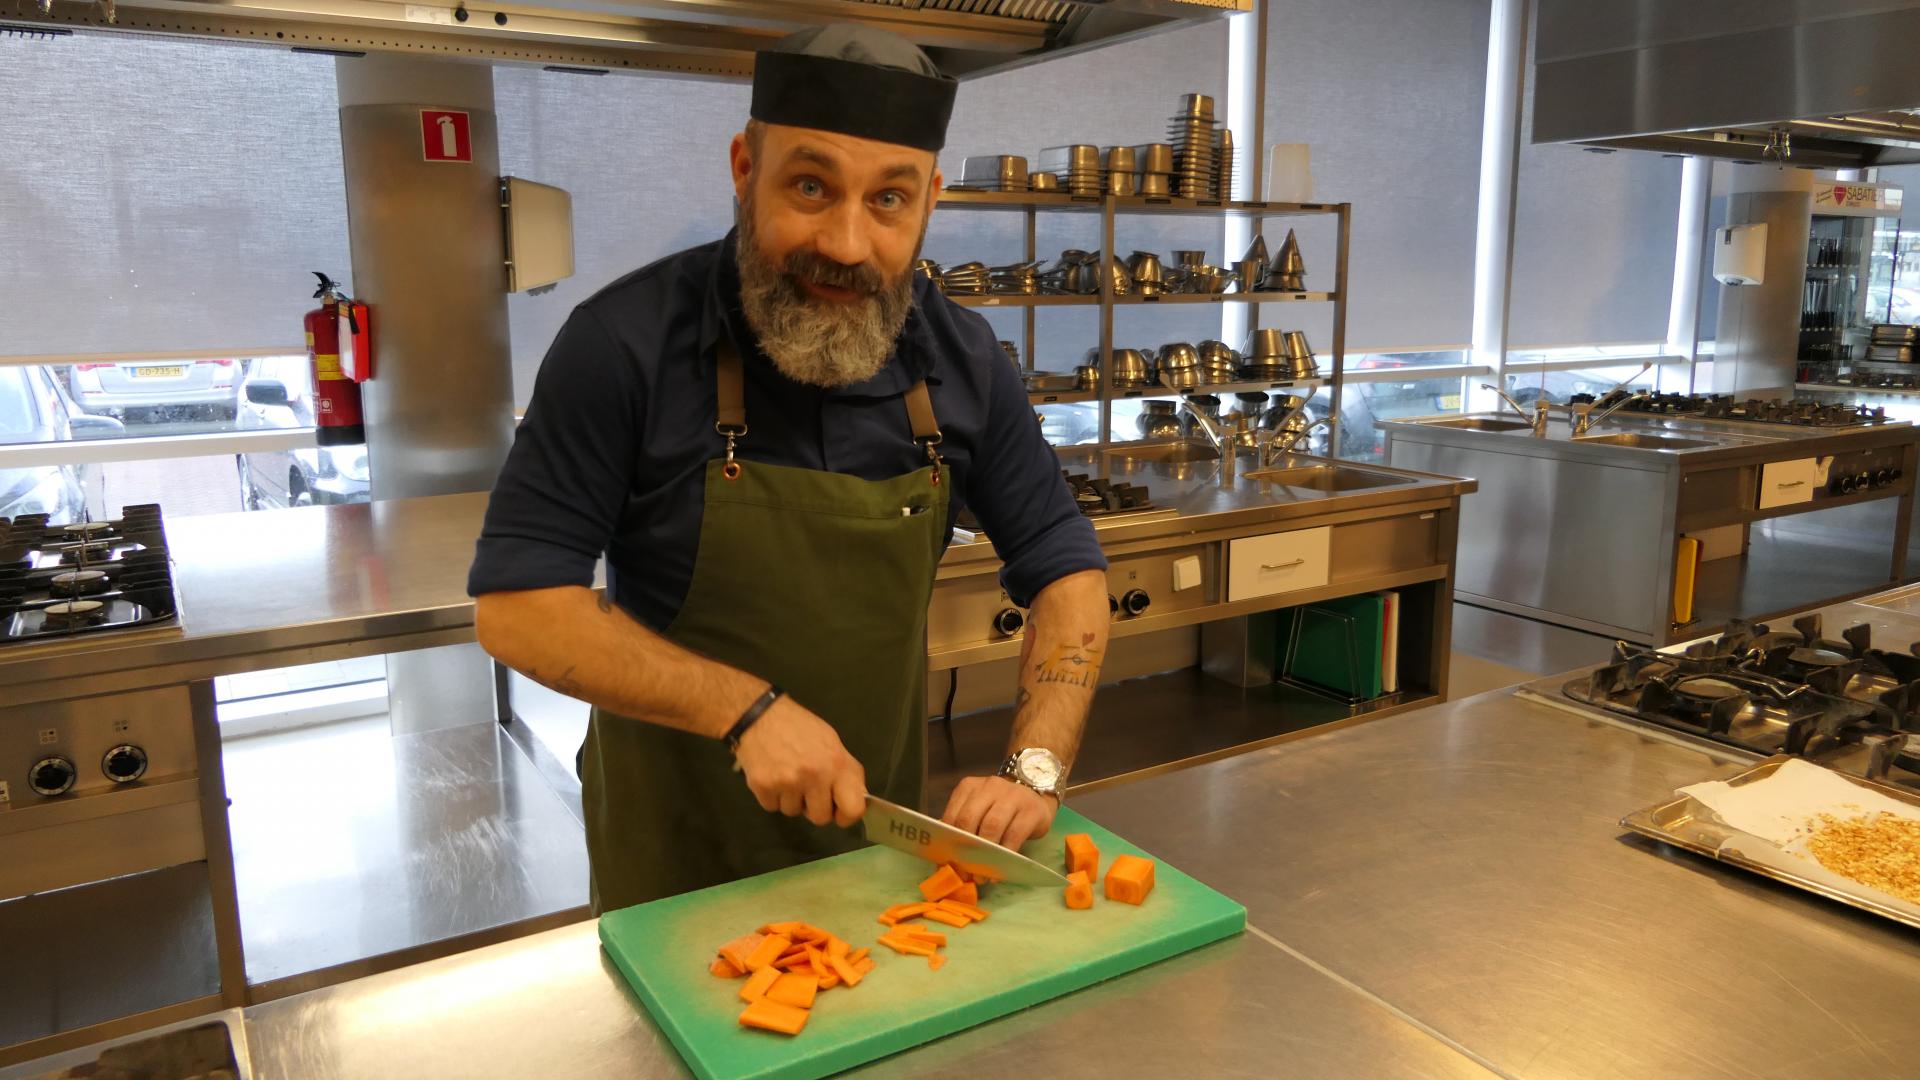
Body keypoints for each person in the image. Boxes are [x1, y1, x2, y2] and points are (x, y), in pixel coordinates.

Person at [469, 24, 1110, 913]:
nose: (847, 244)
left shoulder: (961, 362)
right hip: (675, 870)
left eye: (889, 200)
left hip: (875, 857)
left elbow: (1065, 568)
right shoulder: (622, 347)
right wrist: (745, 710)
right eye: (811, 187)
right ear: (744, 167)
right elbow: (520, 612)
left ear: (929, 200)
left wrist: (1034, 767)